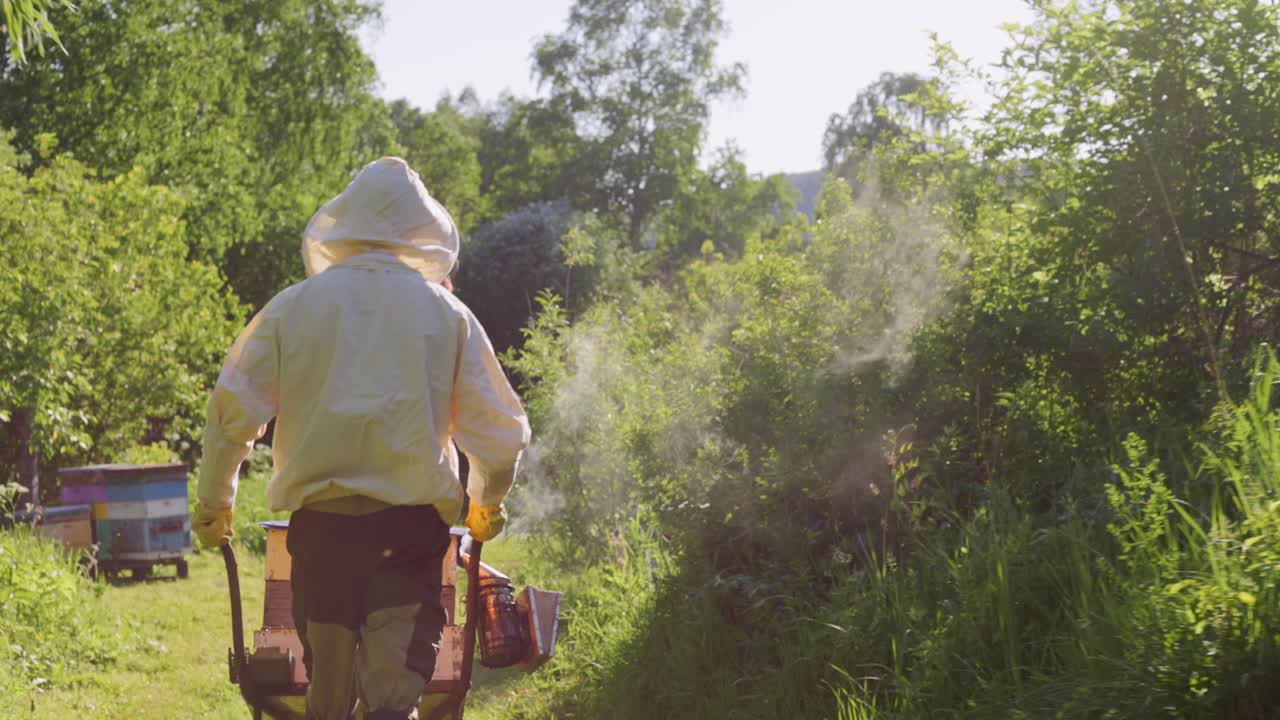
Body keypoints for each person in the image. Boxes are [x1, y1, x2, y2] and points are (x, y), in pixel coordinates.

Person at [193, 157, 531, 720]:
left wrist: (214, 503)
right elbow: (497, 434)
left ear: (342, 225)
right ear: (422, 232)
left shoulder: (292, 307)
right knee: (393, 699)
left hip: (321, 535)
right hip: (408, 535)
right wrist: (486, 501)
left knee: (326, 698)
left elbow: (232, 415)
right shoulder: (447, 314)